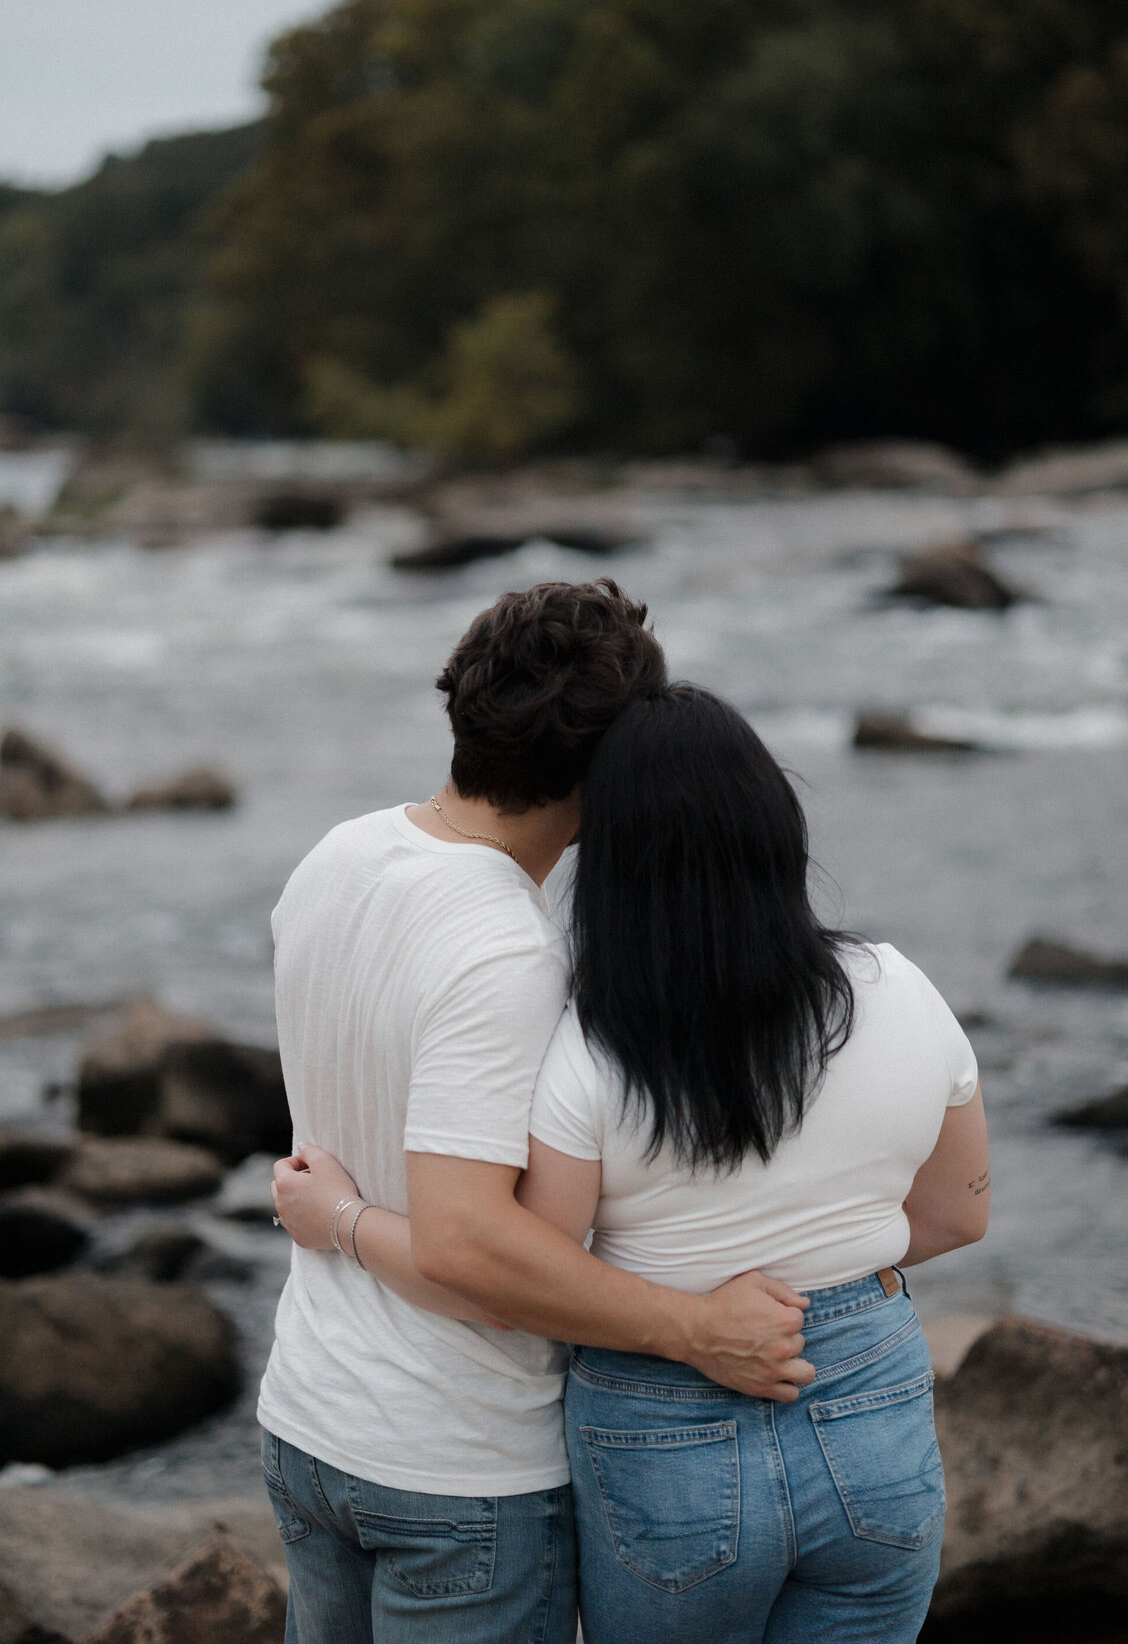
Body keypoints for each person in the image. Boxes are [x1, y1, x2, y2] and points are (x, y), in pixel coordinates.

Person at [278, 683, 989, 1644]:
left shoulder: (591, 1052)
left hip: (663, 1431)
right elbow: (957, 1216)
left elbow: (514, 1274)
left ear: (614, 861)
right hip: (867, 1403)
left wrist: (344, 1221)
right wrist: (820, 1281)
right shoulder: (900, 987)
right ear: (779, 828)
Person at [260, 586, 817, 1644]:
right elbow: (475, 1251)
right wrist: (696, 1330)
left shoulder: (337, 856)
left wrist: (337, 1217)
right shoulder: (505, 948)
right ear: (609, 769)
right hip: (454, 1468)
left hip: (310, 1420)